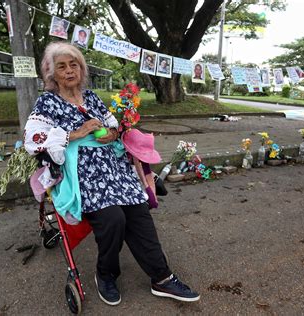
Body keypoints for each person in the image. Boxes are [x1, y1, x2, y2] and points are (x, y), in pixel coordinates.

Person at [24, 42, 200, 306]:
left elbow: (113, 123)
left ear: (82, 70)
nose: (70, 71)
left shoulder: (92, 97)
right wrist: (77, 133)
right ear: (51, 73)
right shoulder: (47, 103)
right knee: (113, 219)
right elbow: (33, 140)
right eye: (62, 66)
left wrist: (112, 133)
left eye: (74, 65)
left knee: (138, 211)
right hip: (82, 174)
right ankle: (105, 274)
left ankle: (162, 278)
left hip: (115, 168)